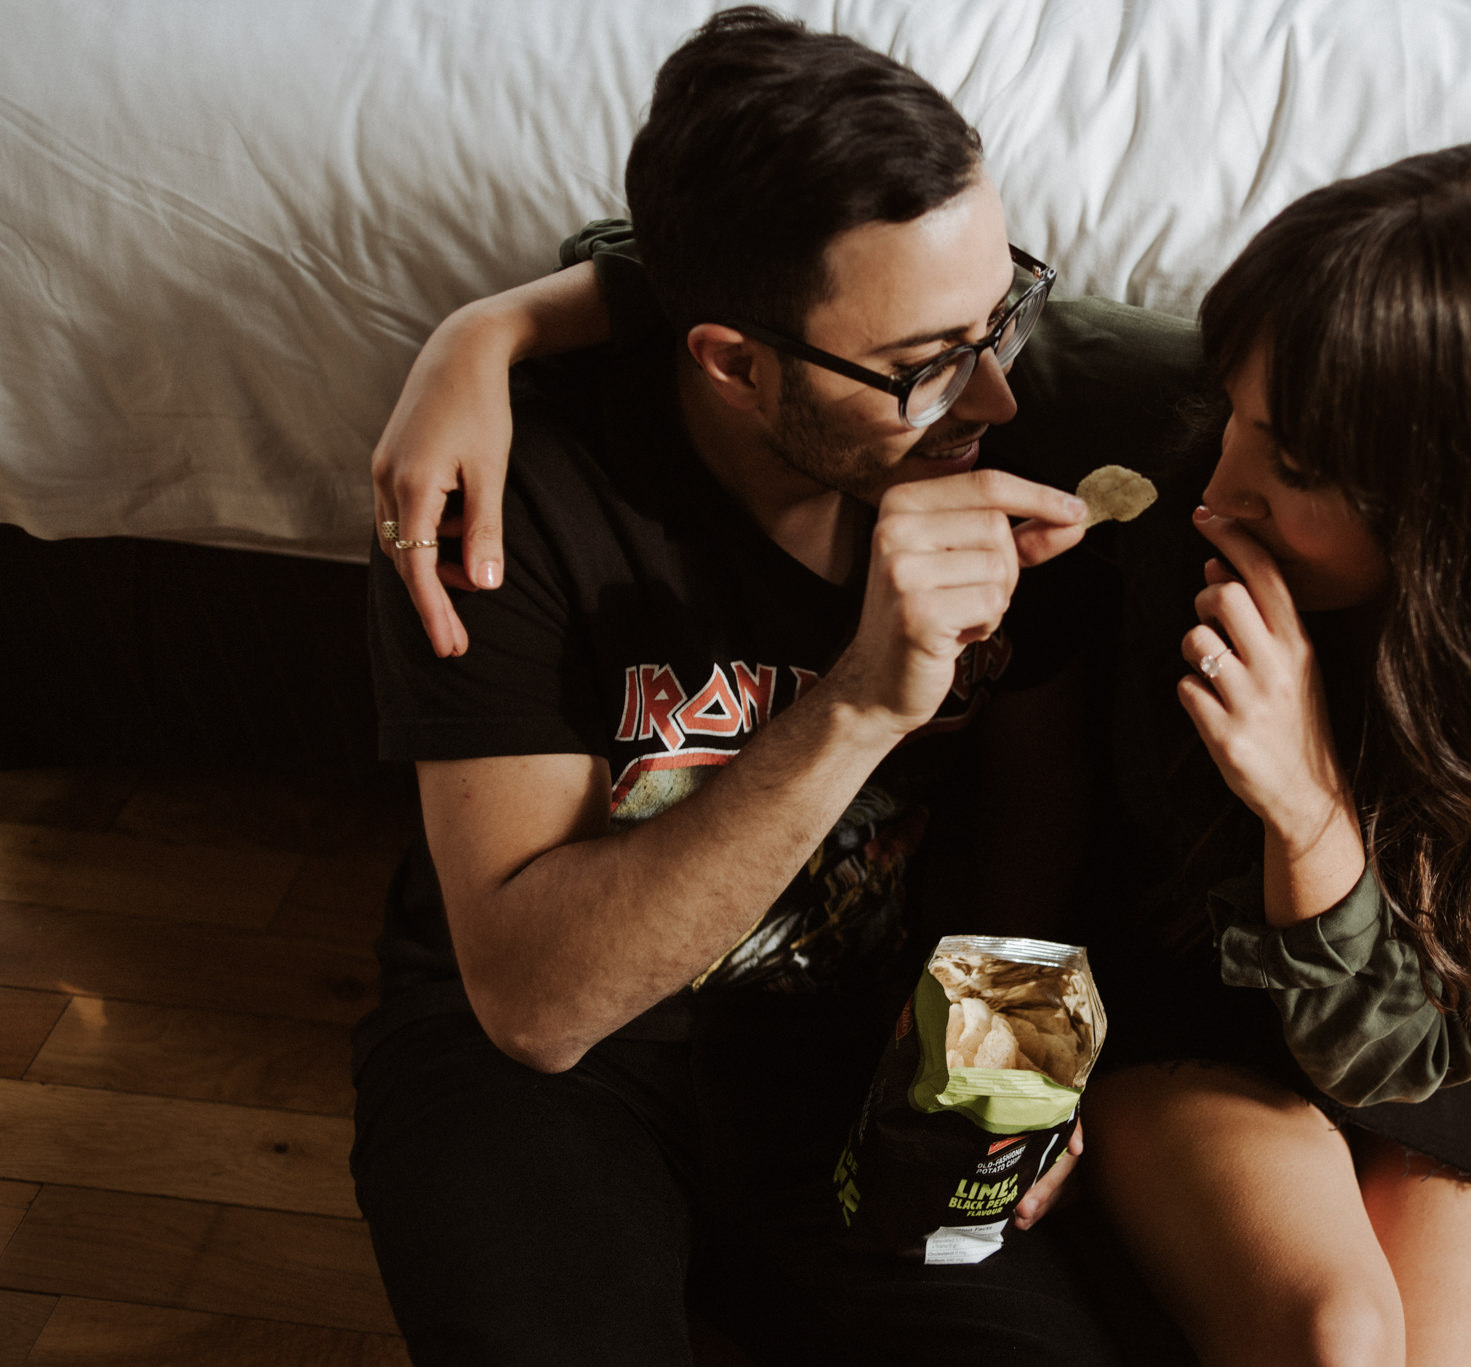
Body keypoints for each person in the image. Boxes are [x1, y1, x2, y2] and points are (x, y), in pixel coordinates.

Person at [376, 134, 1471, 1367]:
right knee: (1336, 1340)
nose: (1222, 484)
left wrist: (1308, 807)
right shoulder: (1206, 410)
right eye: (1239, 419)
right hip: (1189, 952)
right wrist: (481, 338)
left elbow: (1403, 1049)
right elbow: (774, 286)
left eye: (1294, 470)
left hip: (1449, 1003)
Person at [355, 9, 1140, 1364]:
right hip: (542, 1062)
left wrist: (1011, 1062)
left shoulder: (1019, 452)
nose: (996, 397)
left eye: (1000, 307)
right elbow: (536, 1010)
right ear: (730, 362)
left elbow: (1033, 812)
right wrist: (860, 707)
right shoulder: (513, 501)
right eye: (922, 367)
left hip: (855, 1044)